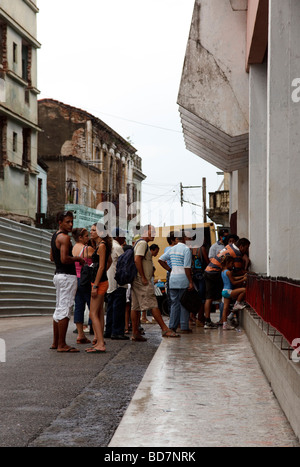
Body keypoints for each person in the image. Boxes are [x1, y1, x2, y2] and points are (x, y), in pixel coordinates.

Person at [131, 224, 180, 341]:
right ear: (144, 232)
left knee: (136, 307)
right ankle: (165, 329)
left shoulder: (140, 243)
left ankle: (135, 333)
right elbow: (137, 259)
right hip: (141, 280)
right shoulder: (142, 243)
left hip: (137, 280)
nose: (154, 234)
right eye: (152, 231)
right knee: (152, 304)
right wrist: (143, 277)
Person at [50, 211, 85, 353]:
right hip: (67, 276)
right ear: (60, 222)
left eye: (72, 221)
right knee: (65, 309)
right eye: (67, 222)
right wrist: (77, 259)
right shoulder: (64, 238)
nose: (71, 224)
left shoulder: (55, 236)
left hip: (58, 275)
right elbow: (64, 259)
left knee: (59, 308)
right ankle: (62, 344)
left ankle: (55, 342)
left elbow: (52, 257)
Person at [203, 237, 250, 329]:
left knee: (209, 298)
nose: (247, 250)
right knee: (224, 299)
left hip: (208, 270)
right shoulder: (236, 253)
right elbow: (238, 271)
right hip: (215, 273)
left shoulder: (229, 246)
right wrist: (247, 274)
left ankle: (208, 321)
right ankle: (225, 319)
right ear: (241, 246)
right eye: (246, 248)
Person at [158, 230, 194, 334]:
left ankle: (172, 326)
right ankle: (184, 326)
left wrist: (170, 269)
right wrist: (190, 281)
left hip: (173, 279)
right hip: (183, 279)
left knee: (174, 303)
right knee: (184, 303)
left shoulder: (172, 249)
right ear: (183, 239)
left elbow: (160, 260)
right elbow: (187, 267)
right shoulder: (186, 250)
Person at [85, 223, 112, 353]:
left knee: (93, 313)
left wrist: (95, 284)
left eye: (94, 230)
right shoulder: (101, 245)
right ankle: (99, 340)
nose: (91, 232)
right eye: (91, 230)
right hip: (100, 280)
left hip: (99, 282)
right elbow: (109, 261)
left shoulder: (101, 245)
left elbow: (101, 266)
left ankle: (100, 343)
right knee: (99, 312)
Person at [105, 228, 129, 340]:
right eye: (123, 235)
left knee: (110, 307)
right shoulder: (118, 247)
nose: (124, 238)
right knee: (118, 308)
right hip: (118, 282)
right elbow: (124, 264)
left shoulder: (109, 245)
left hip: (110, 281)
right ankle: (117, 332)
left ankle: (109, 330)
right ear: (118, 236)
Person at [72, 228, 94, 344]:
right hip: (86, 280)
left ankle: (80, 334)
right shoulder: (87, 249)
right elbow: (99, 257)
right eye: (86, 236)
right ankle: (94, 331)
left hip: (76, 279)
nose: (88, 238)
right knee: (93, 306)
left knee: (79, 306)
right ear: (80, 237)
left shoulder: (73, 248)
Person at [220, 255, 247, 330]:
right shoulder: (228, 272)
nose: (233, 265)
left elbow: (233, 278)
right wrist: (243, 279)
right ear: (228, 263)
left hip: (224, 291)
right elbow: (234, 282)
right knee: (244, 290)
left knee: (225, 308)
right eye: (232, 263)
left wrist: (242, 276)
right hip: (229, 291)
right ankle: (237, 304)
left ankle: (224, 324)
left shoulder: (223, 271)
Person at [141, 244, 160, 324]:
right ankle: (144, 317)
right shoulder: (147, 258)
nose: (157, 253)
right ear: (152, 250)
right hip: (148, 280)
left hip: (150, 280)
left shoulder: (150, 259)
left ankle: (151, 316)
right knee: (147, 298)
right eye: (156, 251)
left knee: (150, 299)